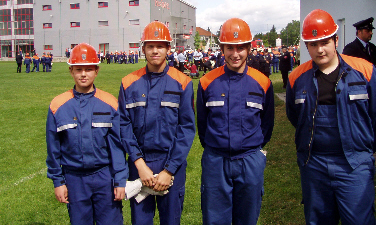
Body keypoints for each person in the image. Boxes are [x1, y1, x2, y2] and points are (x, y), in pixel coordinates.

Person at [286, 9, 376, 225]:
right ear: (306, 46)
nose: (320, 49)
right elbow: (295, 116)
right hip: (314, 164)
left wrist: (365, 147)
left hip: (354, 165)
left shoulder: (364, 70)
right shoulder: (297, 77)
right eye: (313, 44)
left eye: (324, 42)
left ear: (336, 39)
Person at [197, 18, 275, 225]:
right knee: (215, 220)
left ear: (249, 48)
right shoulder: (207, 82)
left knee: (247, 219)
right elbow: (202, 126)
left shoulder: (263, 82)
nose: (235, 54)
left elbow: (267, 124)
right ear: (222, 48)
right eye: (229, 48)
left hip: (250, 160)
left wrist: (252, 148)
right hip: (216, 161)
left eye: (240, 47)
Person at [118, 21, 196, 225]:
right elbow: (123, 125)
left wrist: (169, 170)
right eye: (150, 46)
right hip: (139, 164)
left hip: (171, 164)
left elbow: (187, 128)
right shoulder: (128, 83)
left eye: (160, 46)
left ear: (169, 48)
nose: (155, 51)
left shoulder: (183, 83)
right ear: (143, 48)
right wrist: (139, 163)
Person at [46, 43, 128, 225]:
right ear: (71, 71)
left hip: (104, 177)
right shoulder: (57, 105)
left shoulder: (110, 103)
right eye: (78, 69)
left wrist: (120, 180)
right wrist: (58, 182)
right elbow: (53, 148)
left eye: (89, 69)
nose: (83, 74)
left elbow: (117, 147)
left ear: (97, 71)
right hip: (74, 179)